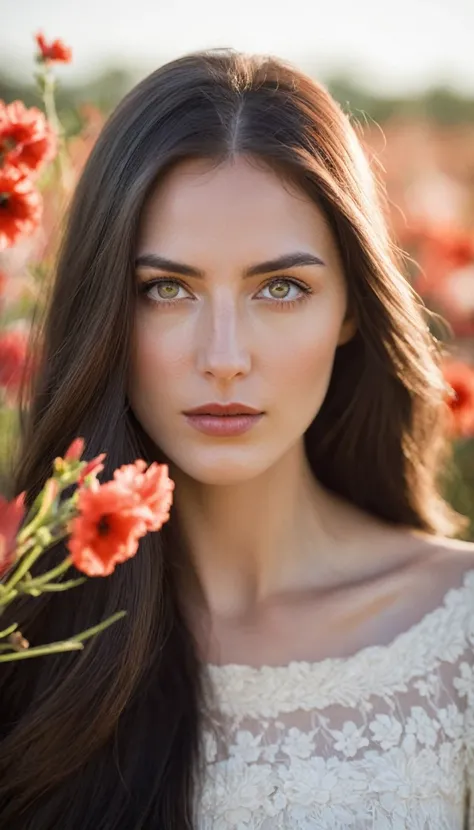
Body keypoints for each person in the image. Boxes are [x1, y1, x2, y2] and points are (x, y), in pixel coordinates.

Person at [0, 49, 474, 830]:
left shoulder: (455, 641)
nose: (223, 358)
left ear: (352, 307)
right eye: (166, 289)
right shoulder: (33, 641)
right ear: (105, 313)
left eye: (281, 288)